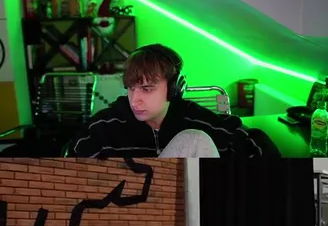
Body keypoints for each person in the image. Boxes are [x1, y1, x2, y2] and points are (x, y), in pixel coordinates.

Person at [67, 44, 266, 157]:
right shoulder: (102, 128)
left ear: (174, 89)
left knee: (195, 139)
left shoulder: (199, 122)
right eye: (131, 88)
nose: (135, 101)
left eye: (147, 89)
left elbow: (254, 145)